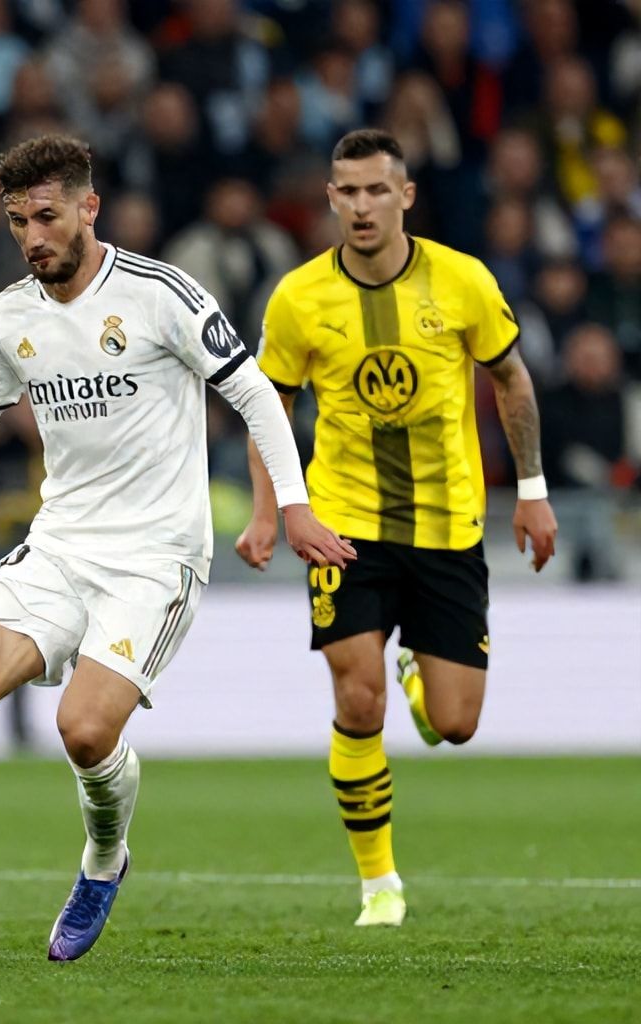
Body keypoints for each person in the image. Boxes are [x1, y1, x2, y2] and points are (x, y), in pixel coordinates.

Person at [0, 134, 349, 962]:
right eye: (18, 221)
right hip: (59, 546)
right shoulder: (11, 317)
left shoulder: (161, 294)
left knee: (84, 732)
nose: (32, 236)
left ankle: (103, 857)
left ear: (90, 208)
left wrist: (293, 508)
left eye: (47, 216)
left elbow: (255, 394)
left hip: (155, 557)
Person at [237, 128, 559, 927]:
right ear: (330, 198)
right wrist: (270, 510)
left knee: (455, 724)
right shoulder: (298, 298)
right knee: (358, 699)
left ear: (405, 196)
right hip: (342, 522)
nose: (362, 206)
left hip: (448, 523)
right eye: (347, 191)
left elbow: (512, 379)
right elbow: (267, 407)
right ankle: (378, 883)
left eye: (377, 189)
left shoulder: (462, 280)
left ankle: (419, 664)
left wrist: (532, 490)